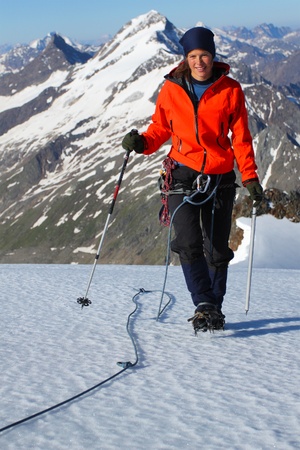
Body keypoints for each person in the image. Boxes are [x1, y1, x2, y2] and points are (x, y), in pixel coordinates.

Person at [122, 27, 263, 334]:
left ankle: (213, 308)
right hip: (181, 172)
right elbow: (161, 126)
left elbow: (241, 137)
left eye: (205, 55)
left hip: (219, 176)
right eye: (193, 56)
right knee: (188, 242)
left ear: (213, 57)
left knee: (216, 250)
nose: (200, 61)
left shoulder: (231, 90)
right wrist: (143, 143)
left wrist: (250, 177)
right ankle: (204, 304)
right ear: (185, 58)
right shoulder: (172, 89)